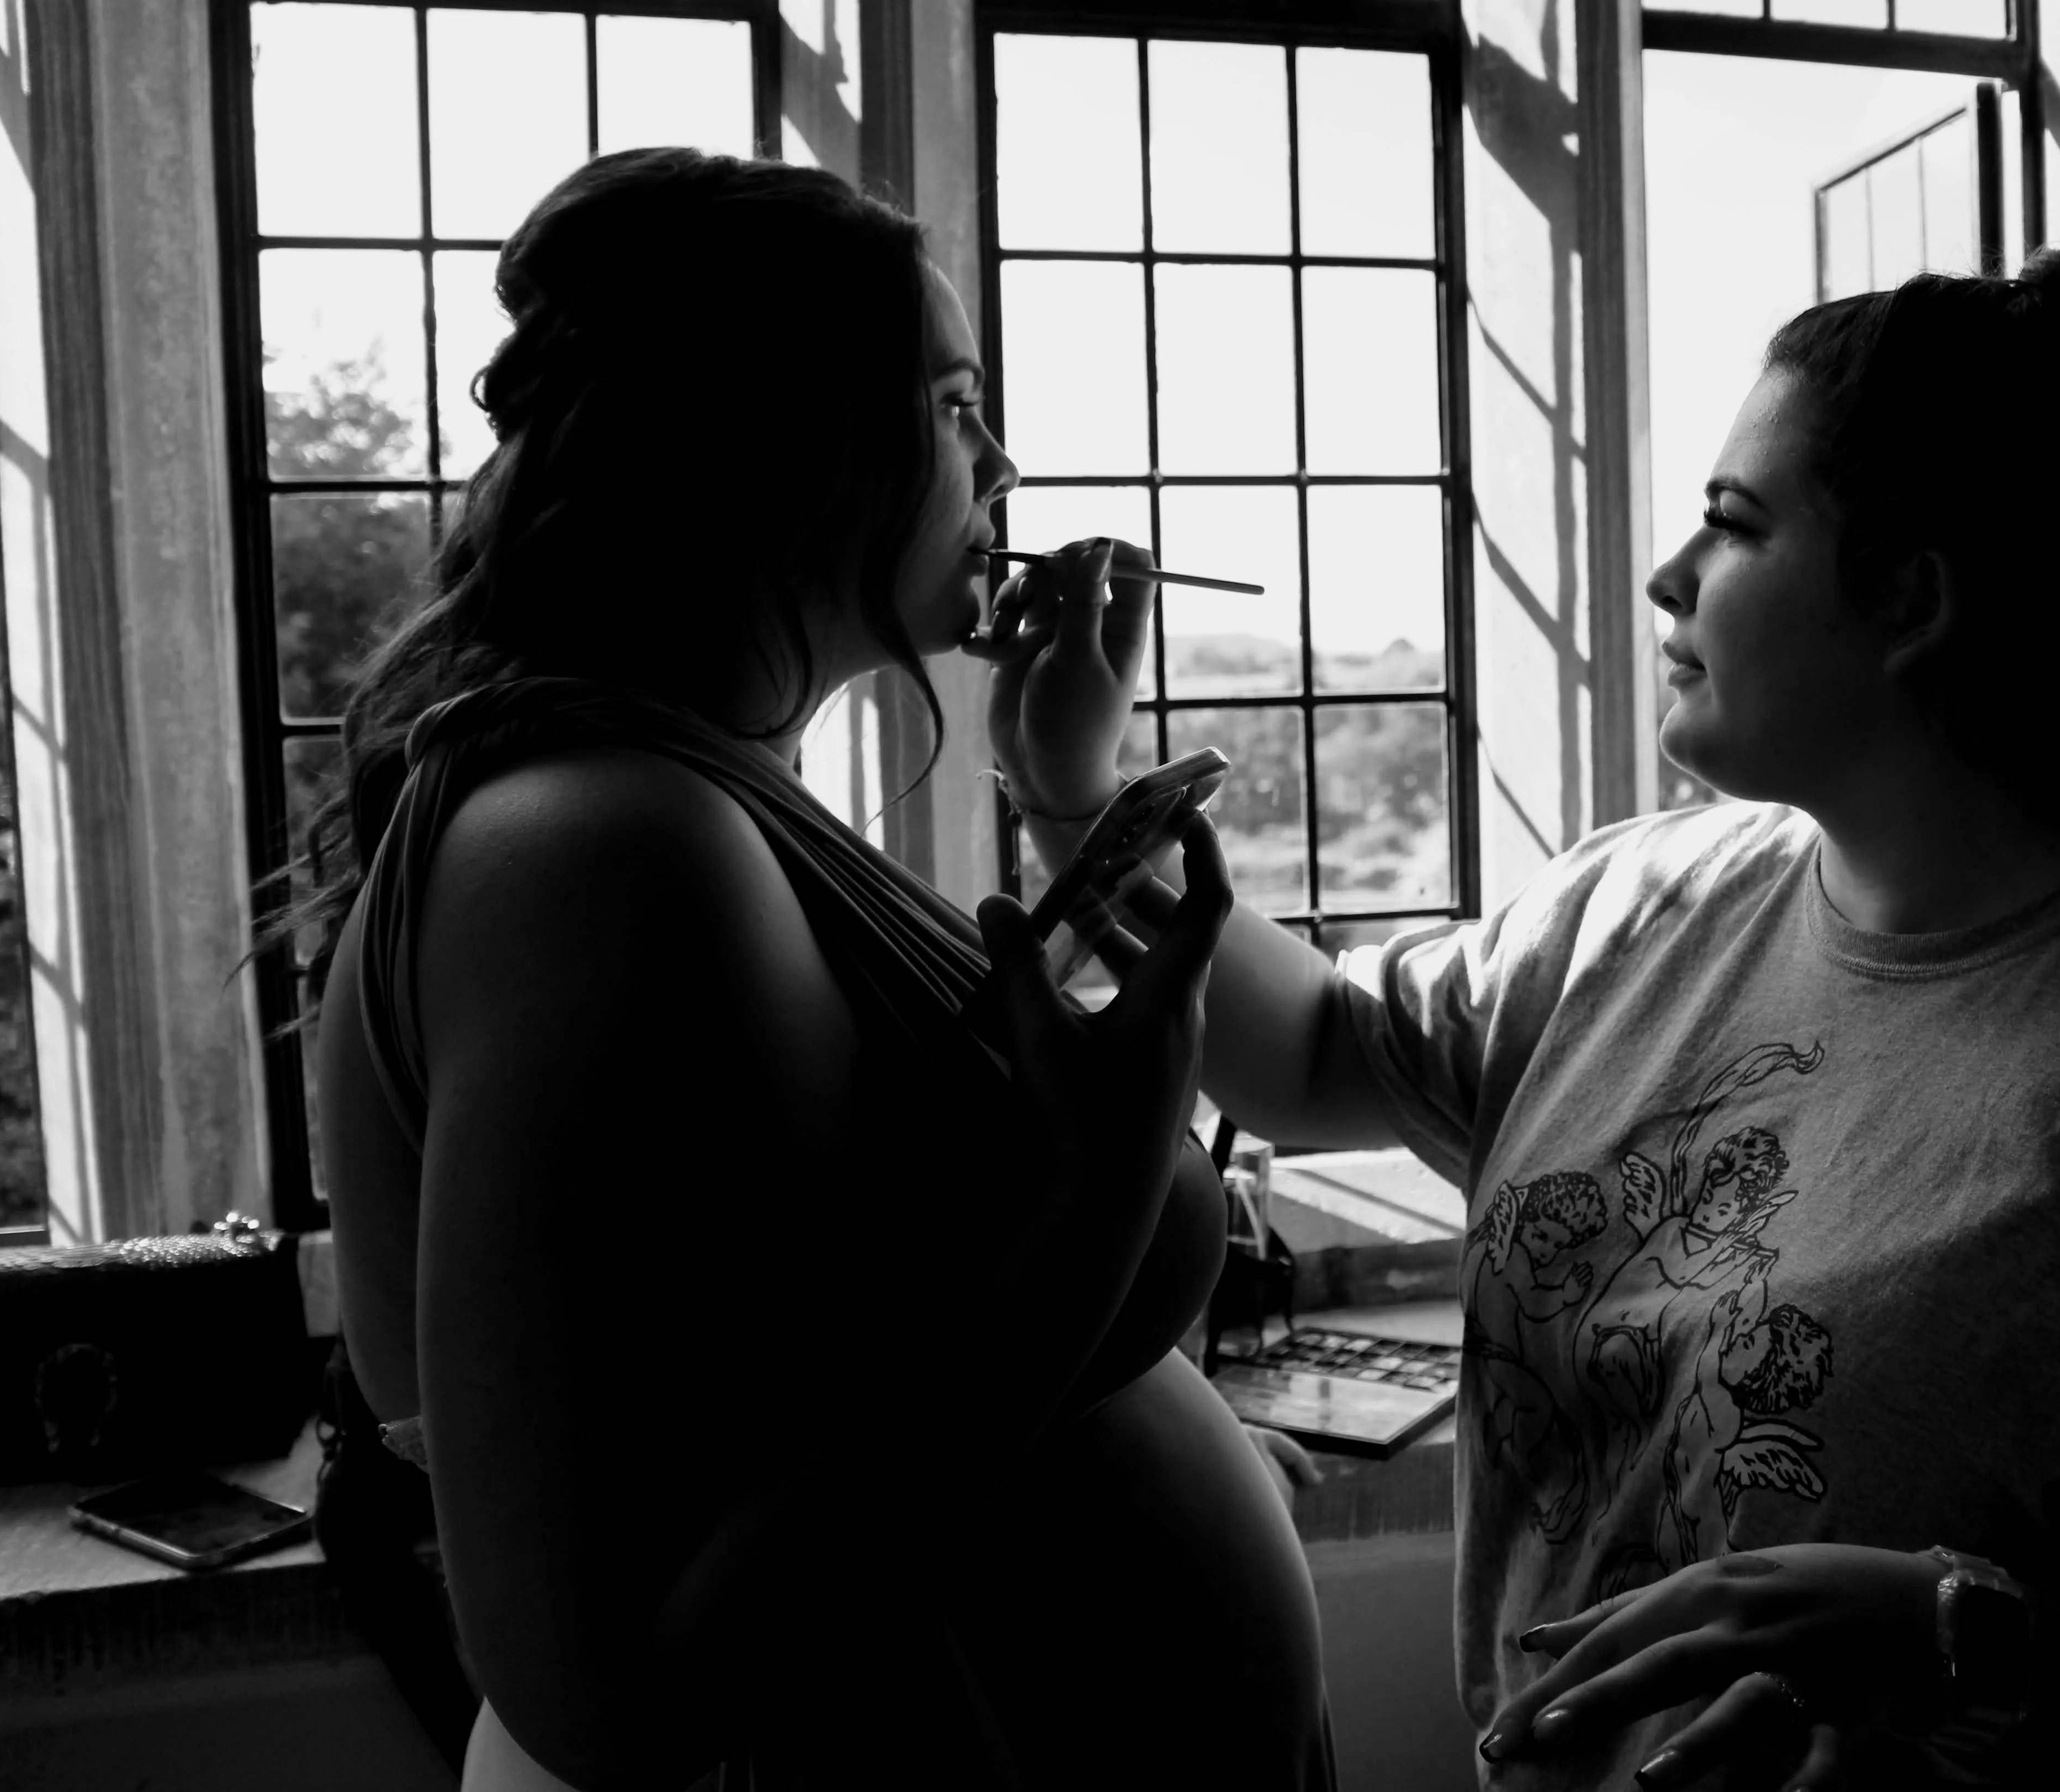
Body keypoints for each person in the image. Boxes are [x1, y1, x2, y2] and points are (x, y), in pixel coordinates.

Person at [989, 244, 2060, 1788]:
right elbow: (1313, 1056)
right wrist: (1075, 795)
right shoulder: (1639, 908)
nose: (1670, 576)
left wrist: (1962, 1645)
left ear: (1910, 598)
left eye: (1735, 522)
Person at [291, 149, 1332, 1791]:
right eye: (953, 406)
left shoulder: (690, 800)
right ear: (782, 441)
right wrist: (1097, 1202)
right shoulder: (609, 848)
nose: (1002, 461)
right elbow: (609, 1687)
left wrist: (1097, 1433)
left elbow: (808, 1381)